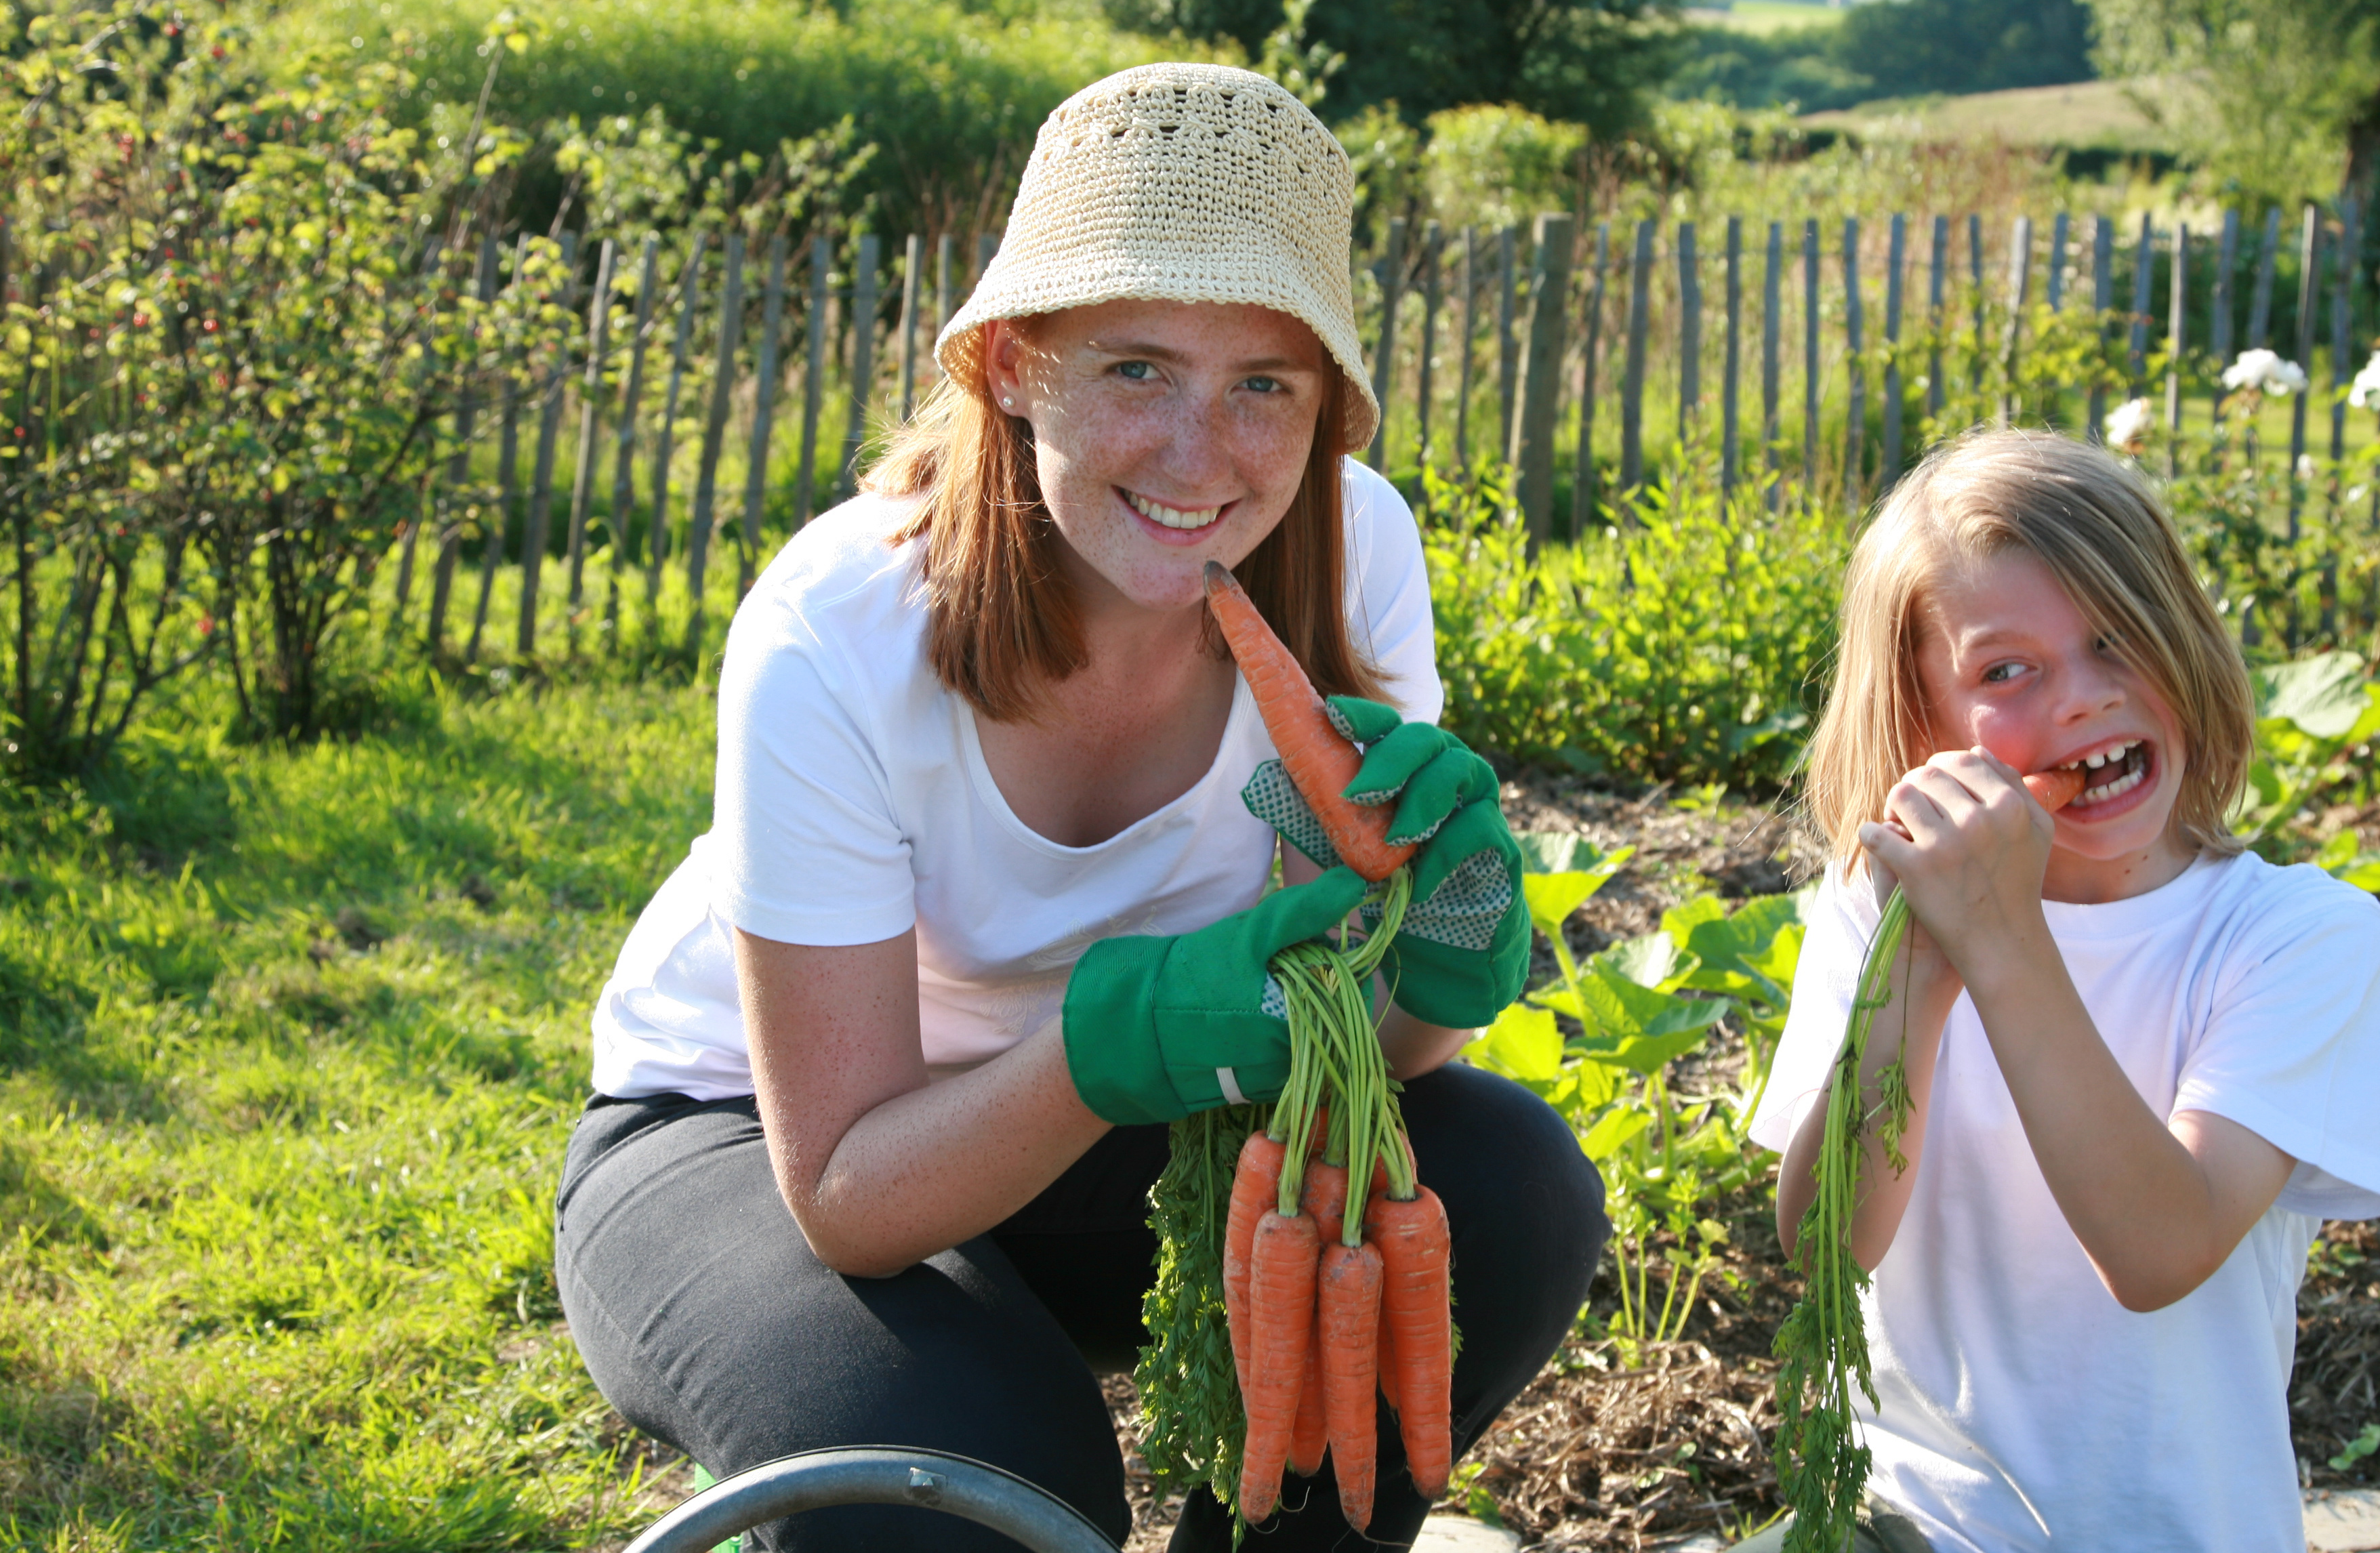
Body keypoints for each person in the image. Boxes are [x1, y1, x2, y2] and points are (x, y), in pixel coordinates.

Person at [552, 63, 1605, 1553]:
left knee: (1508, 1194)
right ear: (1007, 366)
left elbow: (1398, 1046)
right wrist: (1107, 1045)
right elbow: (848, 1194)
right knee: (971, 1489)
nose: (1202, 455)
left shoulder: (1354, 547)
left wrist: (1436, 956)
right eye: (1136, 370)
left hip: (1128, 1131)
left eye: (1264, 386)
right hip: (763, 1140)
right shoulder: (838, 628)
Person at [1752, 430, 2380, 1551]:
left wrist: (2001, 945)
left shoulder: (2298, 936)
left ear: (2184, 644)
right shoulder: (1878, 909)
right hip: (1911, 1523)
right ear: (1922, 728)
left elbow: (2159, 1247)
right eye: (2006, 672)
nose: (2084, 700)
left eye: (2116, 641)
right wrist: (1913, 976)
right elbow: (1821, 1251)